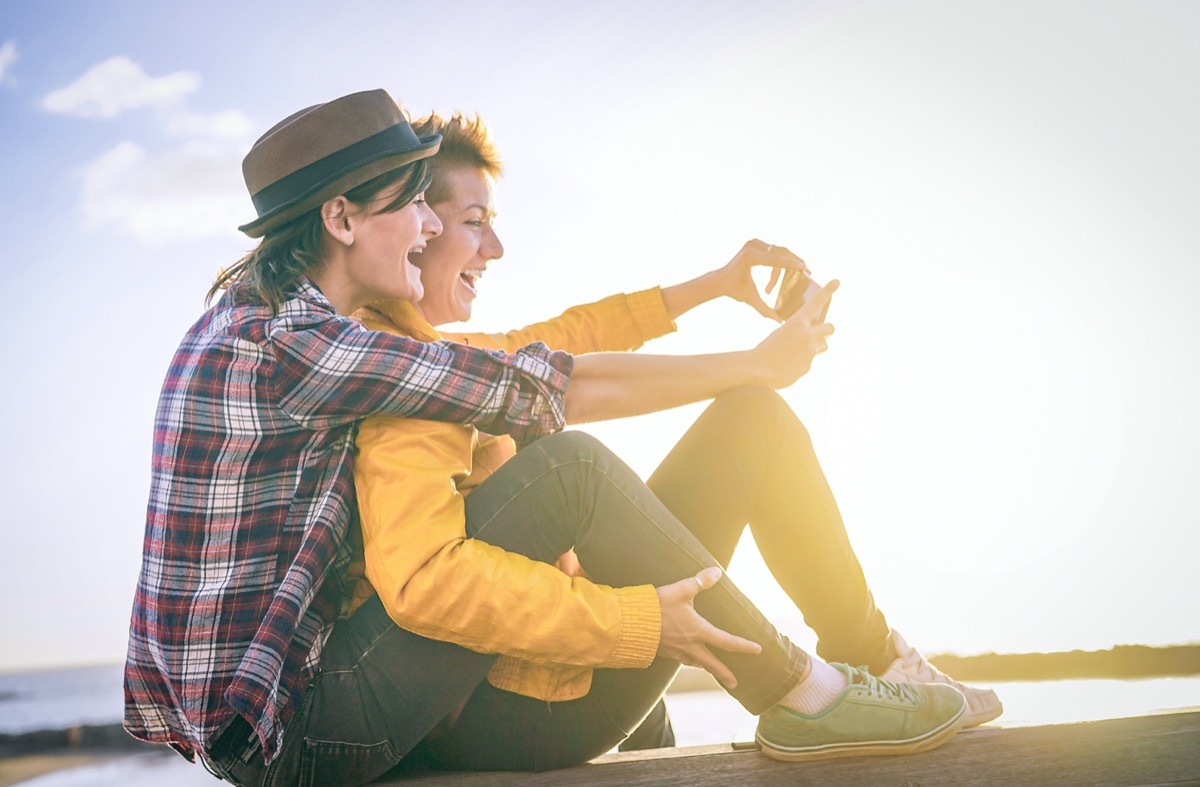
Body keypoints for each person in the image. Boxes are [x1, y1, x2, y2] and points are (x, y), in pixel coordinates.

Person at [123, 89, 964, 787]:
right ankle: (807, 690)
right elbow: (537, 408)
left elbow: (553, 345)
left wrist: (712, 289)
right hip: (301, 727)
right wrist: (639, 619)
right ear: (342, 217)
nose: (427, 227)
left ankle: (856, 669)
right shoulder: (316, 350)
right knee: (570, 471)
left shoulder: (264, 322)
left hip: (275, 717)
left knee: (681, 442)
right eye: (416, 205)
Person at [337, 112, 997, 779]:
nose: (497, 248)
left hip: (537, 682)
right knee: (728, 428)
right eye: (475, 221)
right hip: (510, 715)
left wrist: (718, 284)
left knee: (746, 417)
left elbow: (574, 335)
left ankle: (869, 666)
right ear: (419, 227)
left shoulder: (444, 355)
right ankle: (828, 684)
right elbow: (427, 581)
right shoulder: (399, 372)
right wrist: (638, 617)